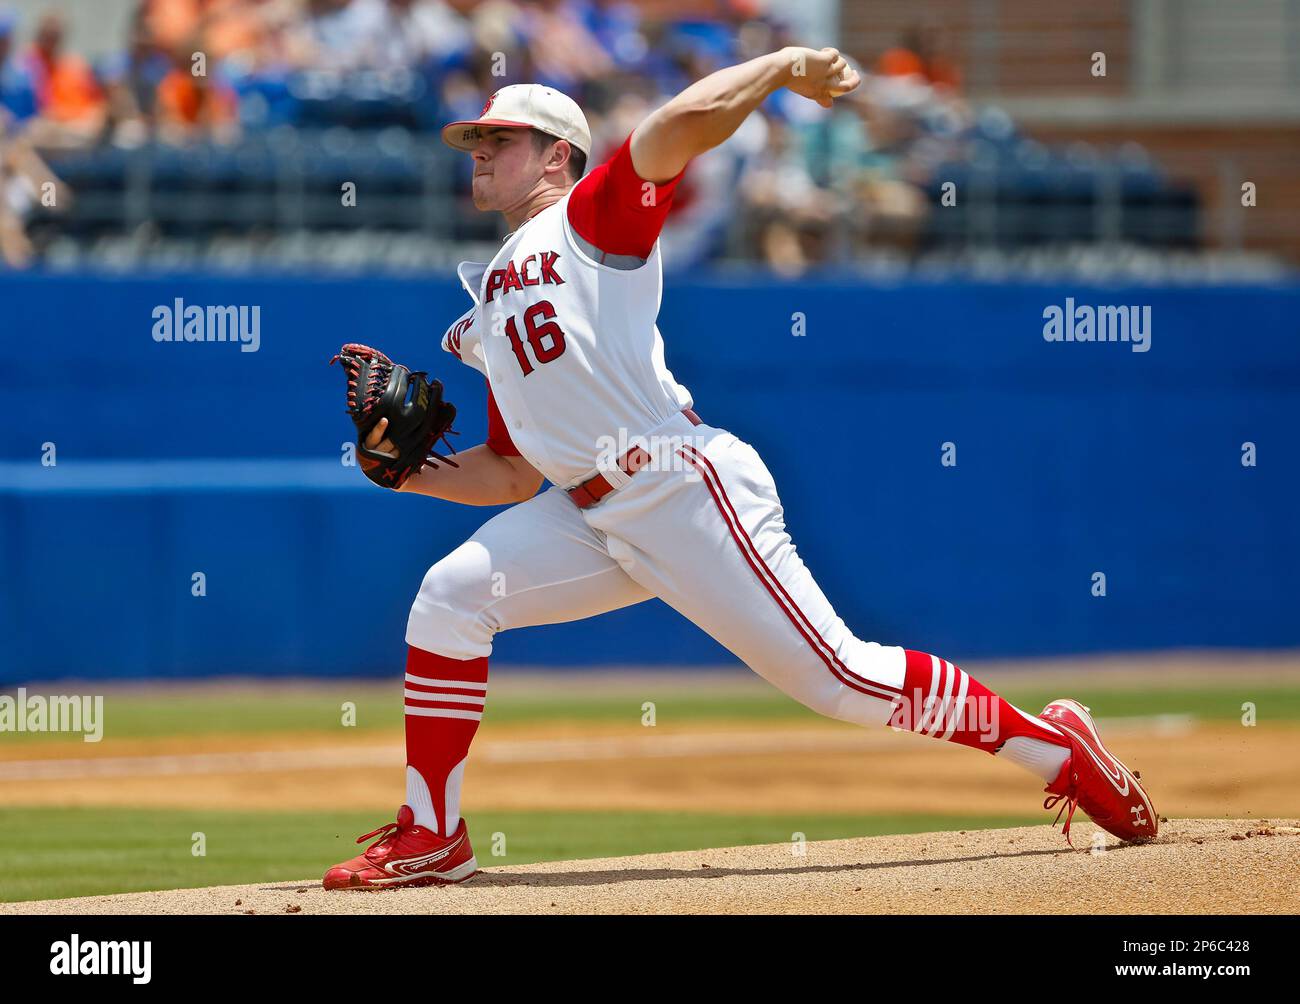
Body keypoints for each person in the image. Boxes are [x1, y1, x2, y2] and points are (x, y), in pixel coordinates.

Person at [323, 47, 1157, 889]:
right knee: (451, 597)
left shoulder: (588, 220)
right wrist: (400, 472)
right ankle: (432, 833)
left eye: (502, 139)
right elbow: (509, 474)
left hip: (679, 483)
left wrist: (781, 64)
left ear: (557, 155)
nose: (480, 150)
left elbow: (675, 127)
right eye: (476, 140)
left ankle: (1053, 747)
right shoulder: (489, 302)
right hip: (588, 511)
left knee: (840, 679)